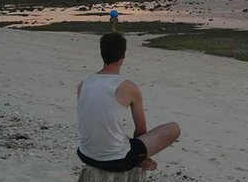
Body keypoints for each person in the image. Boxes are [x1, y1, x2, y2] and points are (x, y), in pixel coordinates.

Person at [77, 32, 180, 172]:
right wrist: (141, 156)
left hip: (85, 154)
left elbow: (93, 118)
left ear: (102, 53)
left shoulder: (83, 83)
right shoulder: (128, 87)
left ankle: (129, 153)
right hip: (115, 161)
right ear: (123, 55)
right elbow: (141, 130)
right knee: (173, 128)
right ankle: (138, 160)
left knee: (116, 135)